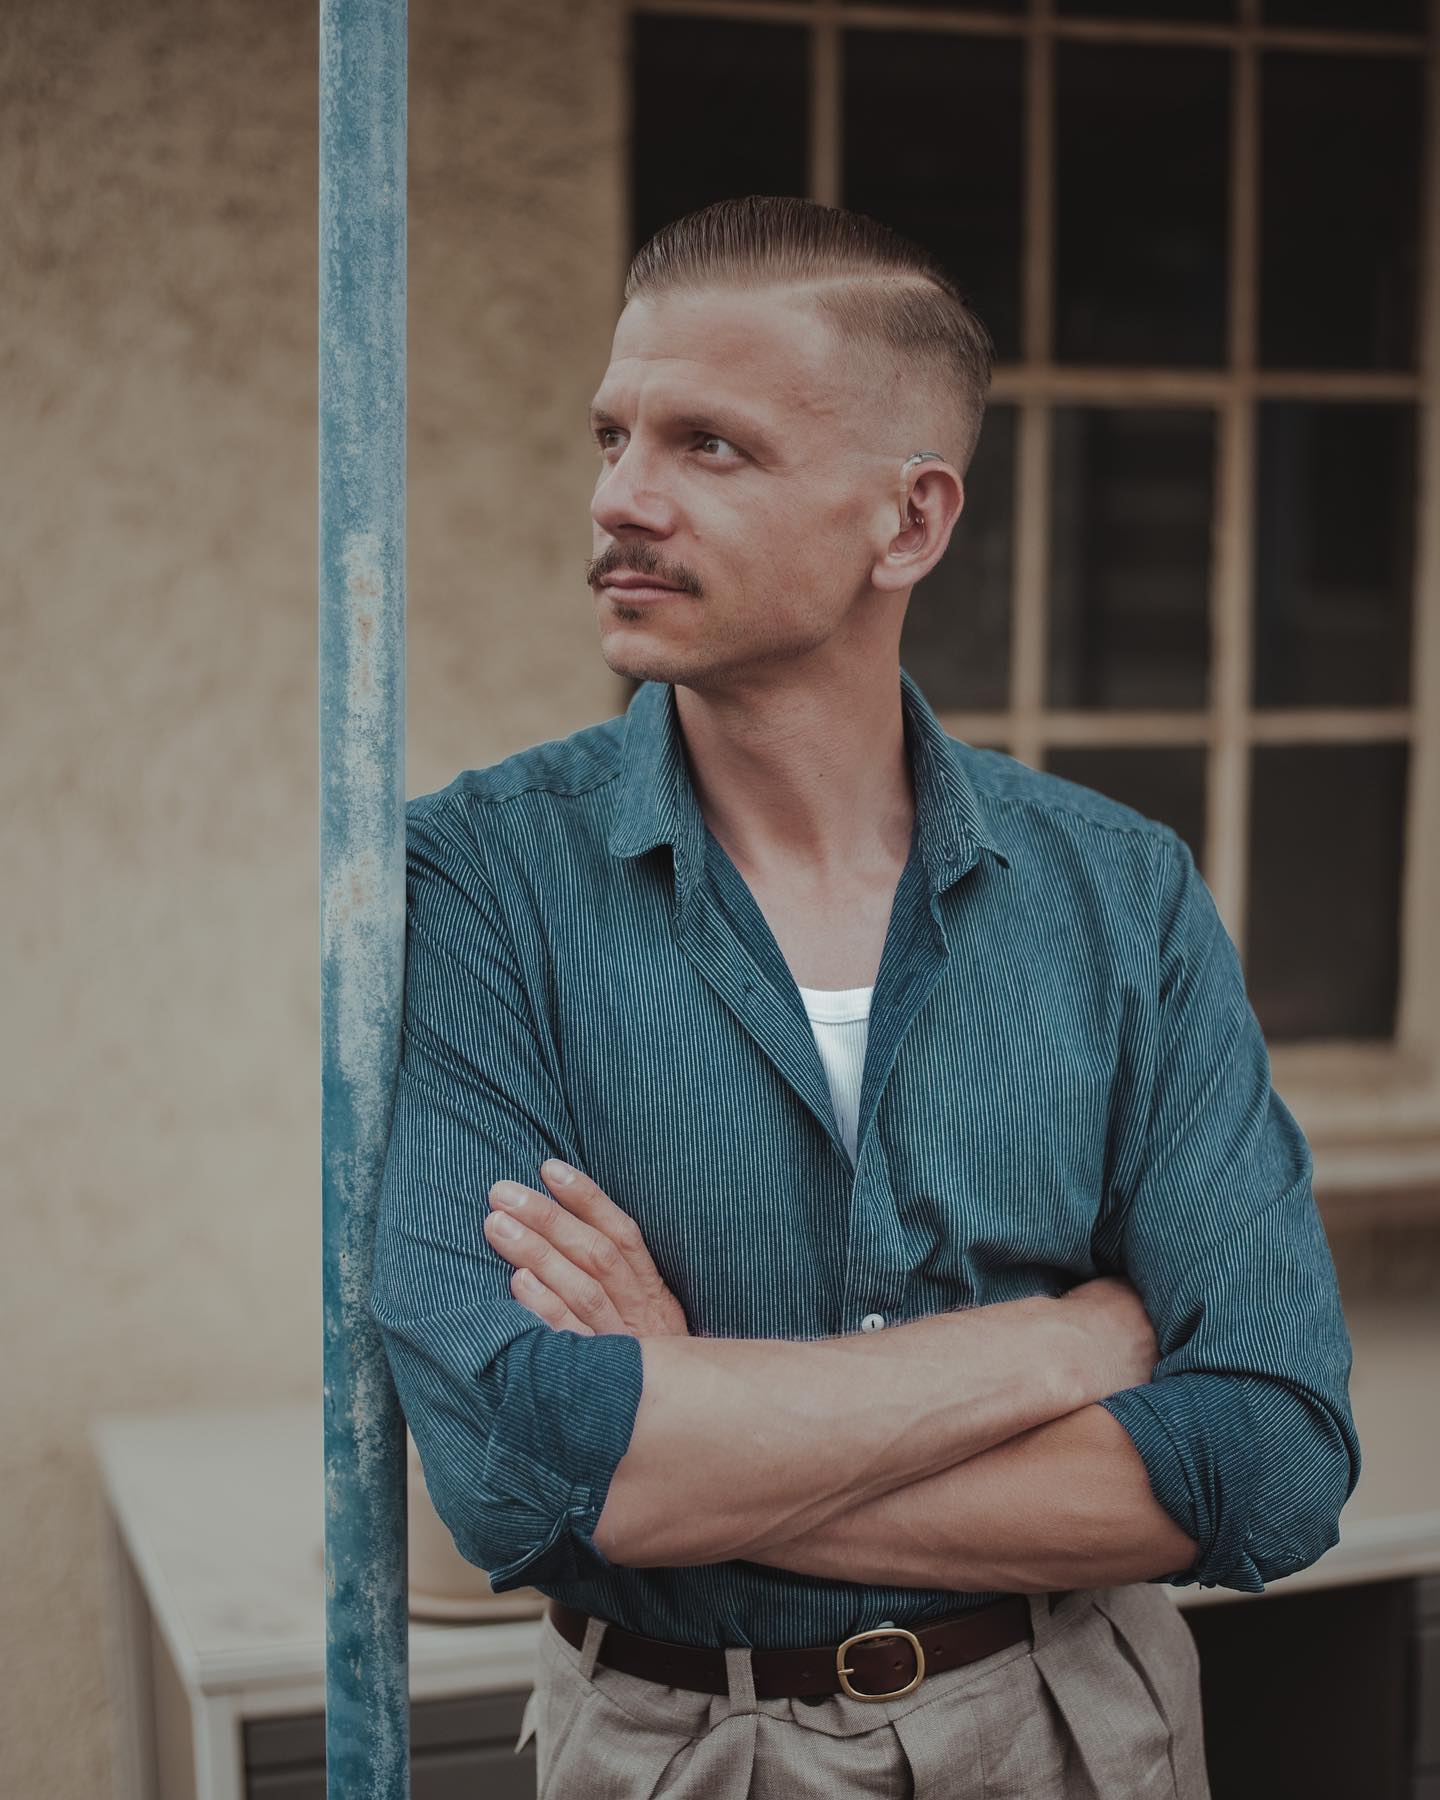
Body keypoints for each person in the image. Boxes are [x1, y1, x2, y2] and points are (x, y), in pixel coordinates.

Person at [370, 194, 1360, 1798]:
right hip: (671, 1747)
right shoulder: (477, 882)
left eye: (713, 448)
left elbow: (1268, 1459)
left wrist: (683, 1439)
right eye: (612, 434)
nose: (622, 499)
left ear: (908, 523)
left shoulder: (1121, 894)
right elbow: (511, 1469)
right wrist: (1064, 1347)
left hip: (1074, 1732)